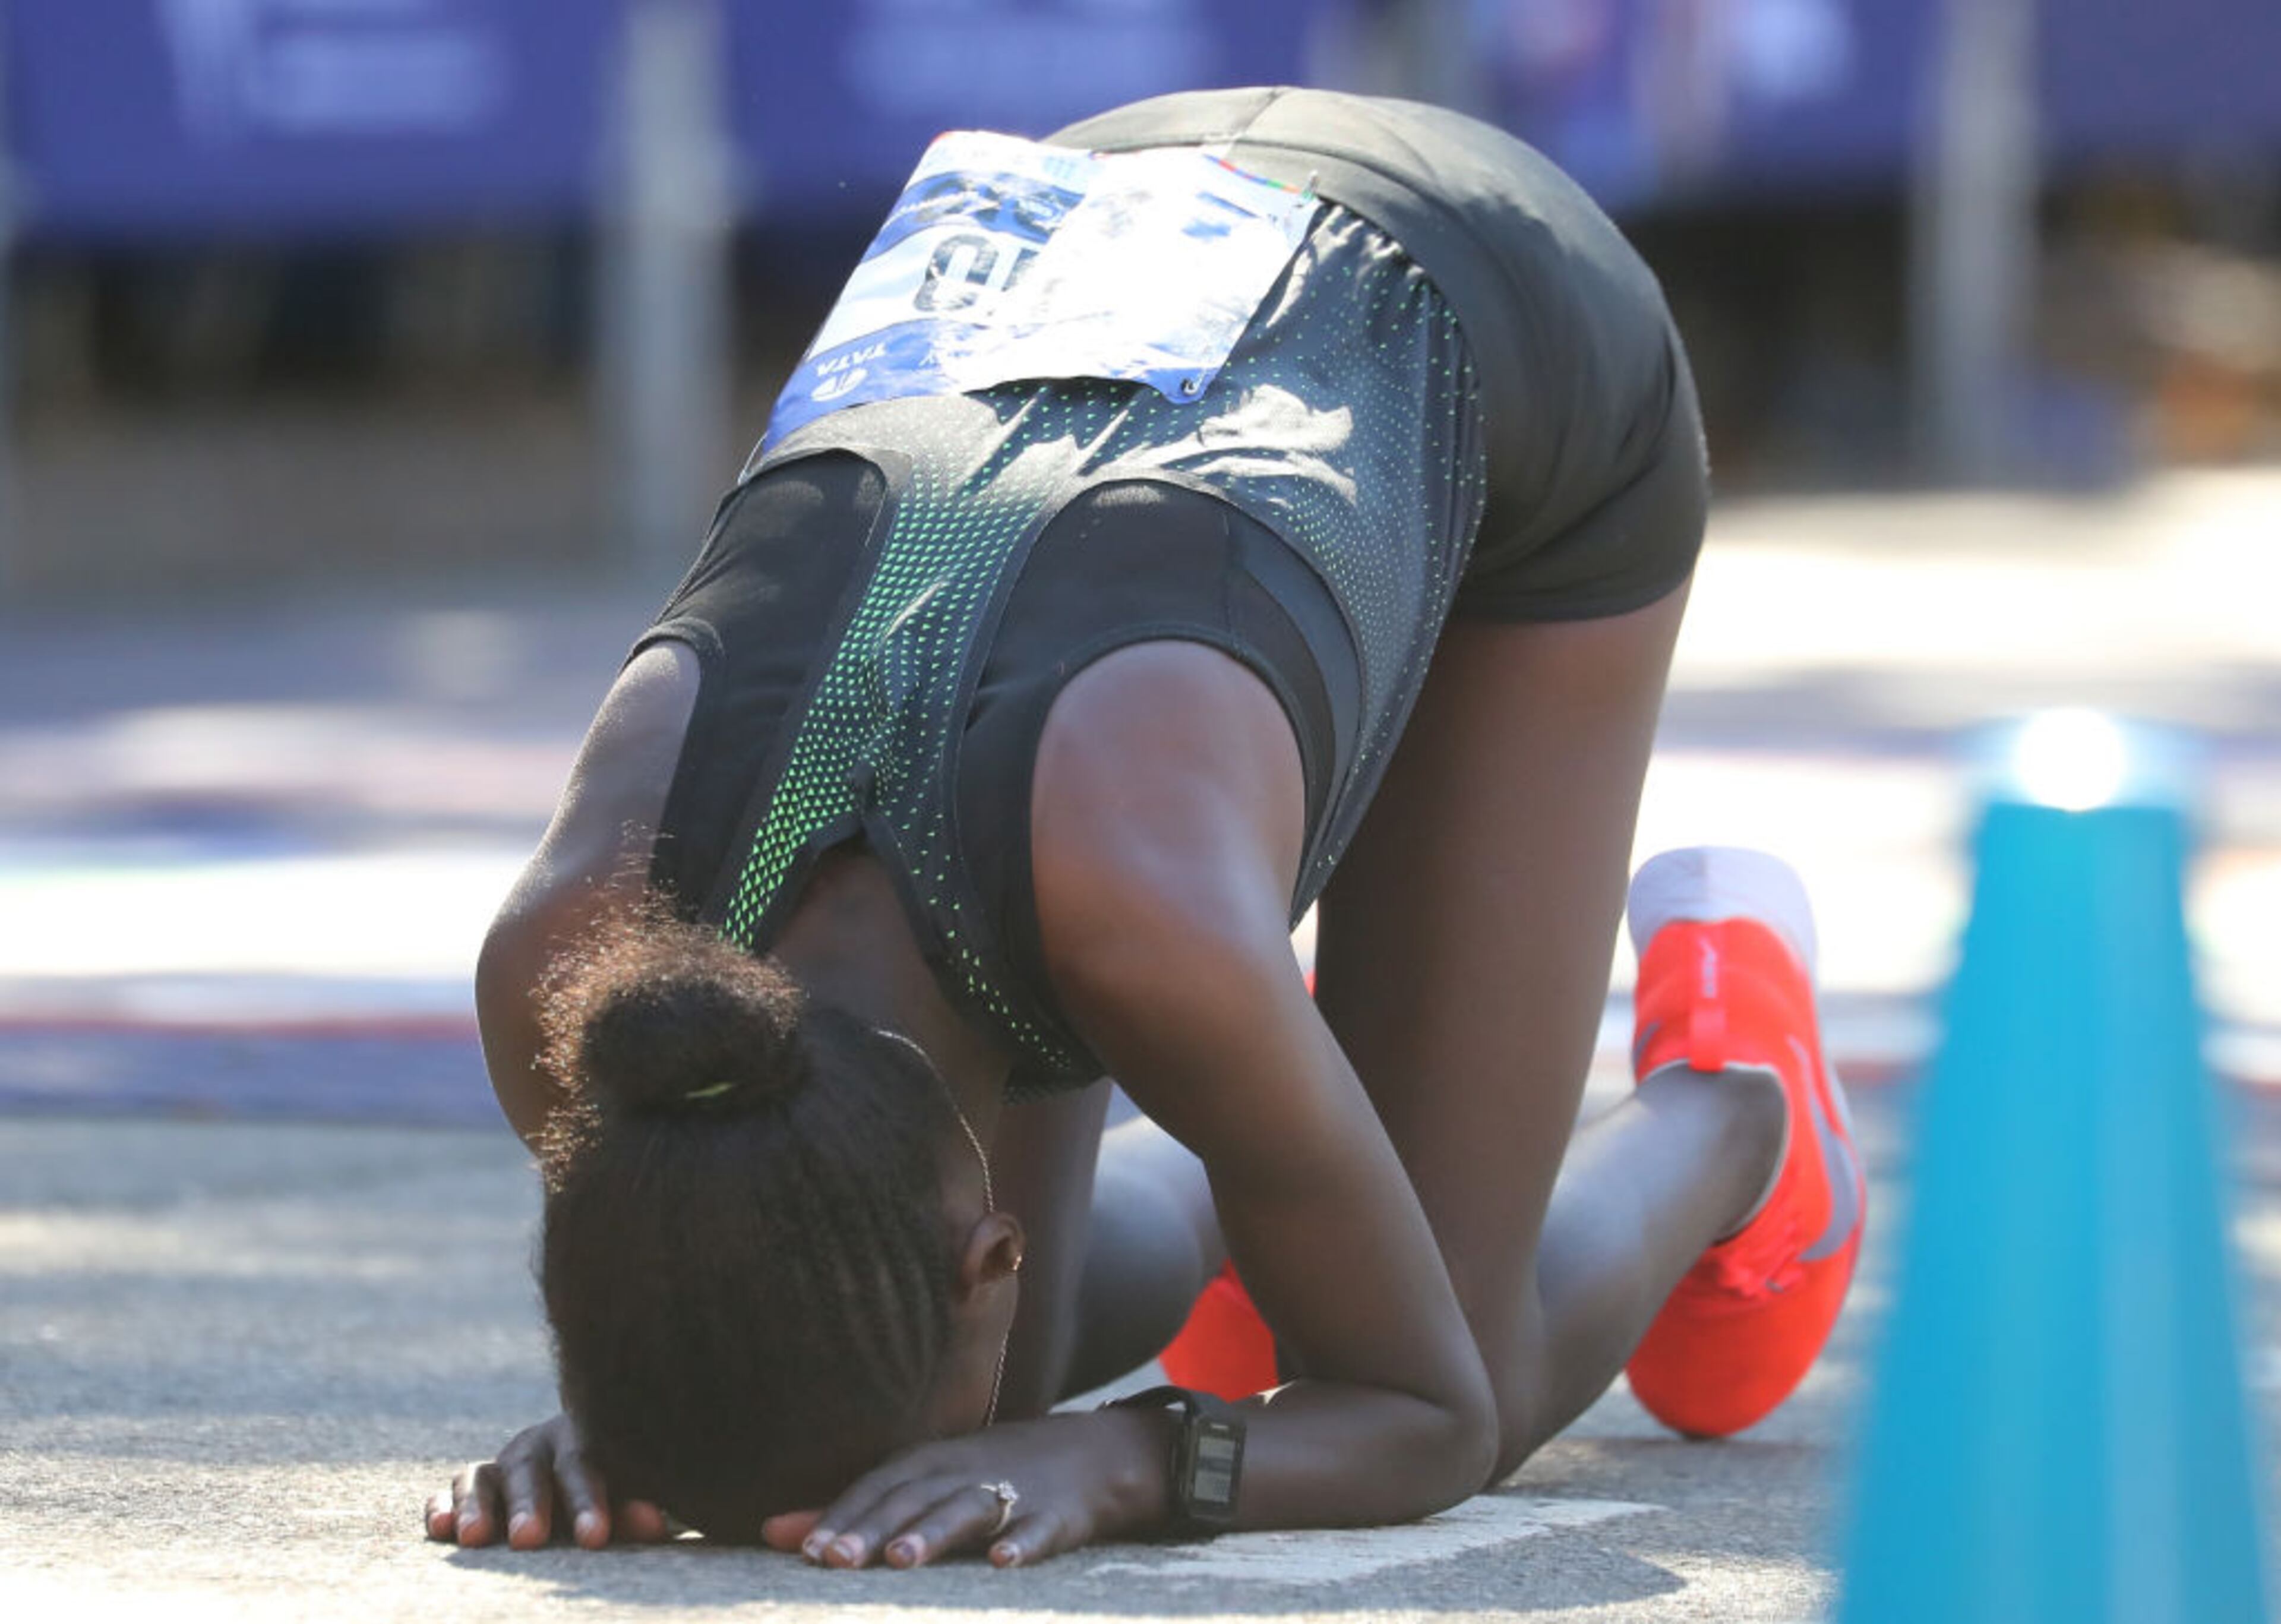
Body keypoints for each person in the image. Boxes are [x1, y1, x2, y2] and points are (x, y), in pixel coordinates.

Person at [424, 86, 1865, 1566]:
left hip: (1487, 297)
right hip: (1097, 225)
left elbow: (1420, 1412)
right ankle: (1283, 1127)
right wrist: (648, 1423)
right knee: (1011, 1379)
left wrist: (1134, 1457)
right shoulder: (588, 988)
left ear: (987, 1252)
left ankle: (1738, 1095)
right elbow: (734, 1285)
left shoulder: (1124, 908)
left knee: (1478, 1365)